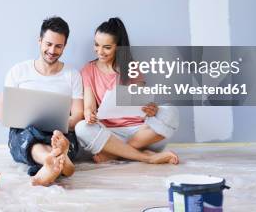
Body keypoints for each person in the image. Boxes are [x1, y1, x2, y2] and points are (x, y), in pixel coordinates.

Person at [75, 17, 180, 165]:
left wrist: (151, 109)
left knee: (171, 112)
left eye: (107, 47)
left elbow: (142, 103)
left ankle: (116, 154)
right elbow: (89, 106)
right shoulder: (88, 70)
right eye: (97, 45)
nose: (100, 51)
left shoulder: (131, 67)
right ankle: (146, 157)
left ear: (118, 47)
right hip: (109, 134)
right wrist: (88, 114)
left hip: (140, 133)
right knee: (81, 128)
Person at [0, 16, 84, 186]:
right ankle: (57, 160)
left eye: (58, 46)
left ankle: (52, 161)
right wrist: (18, 119)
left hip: (60, 133)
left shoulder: (72, 75)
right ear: (40, 41)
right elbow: (1, 111)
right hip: (26, 132)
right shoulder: (18, 71)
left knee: (60, 139)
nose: (52, 50)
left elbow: (78, 113)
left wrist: (64, 124)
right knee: (29, 136)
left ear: (65, 47)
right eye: (48, 44)